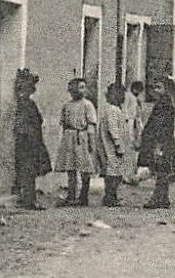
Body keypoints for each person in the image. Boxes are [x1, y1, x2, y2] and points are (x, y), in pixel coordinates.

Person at [55, 77, 99, 205]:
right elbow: (63, 124)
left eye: (84, 87)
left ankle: (83, 196)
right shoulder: (67, 106)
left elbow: (91, 124)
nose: (82, 90)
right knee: (71, 167)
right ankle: (71, 196)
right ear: (71, 89)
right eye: (79, 87)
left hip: (82, 137)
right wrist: (63, 140)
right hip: (69, 137)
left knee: (84, 167)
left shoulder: (88, 105)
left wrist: (91, 142)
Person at [13, 70, 53, 209]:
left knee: (29, 169)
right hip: (27, 141)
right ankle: (28, 199)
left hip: (31, 139)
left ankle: (26, 197)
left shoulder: (28, 103)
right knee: (28, 170)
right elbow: (22, 124)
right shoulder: (24, 104)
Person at [138, 78, 175, 209]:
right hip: (164, 141)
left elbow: (161, 126)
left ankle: (158, 198)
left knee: (161, 170)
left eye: (159, 87)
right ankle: (163, 198)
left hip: (162, 142)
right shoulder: (163, 103)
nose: (155, 90)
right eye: (154, 87)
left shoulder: (164, 105)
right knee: (162, 171)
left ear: (166, 89)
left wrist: (158, 144)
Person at [95, 83, 130, 206]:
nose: (123, 98)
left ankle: (112, 196)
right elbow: (113, 129)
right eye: (120, 95)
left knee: (115, 173)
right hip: (111, 148)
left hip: (112, 147)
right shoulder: (112, 110)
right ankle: (110, 197)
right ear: (112, 96)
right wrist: (118, 145)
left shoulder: (115, 110)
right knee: (112, 174)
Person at [122, 80, 146, 183]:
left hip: (133, 123)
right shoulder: (128, 96)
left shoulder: (135, 98)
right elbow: (125, 111)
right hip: (128, 123)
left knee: (133, 150)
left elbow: (138, 115)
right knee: (128, 148)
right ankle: (126, 175)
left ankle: (131, 174)